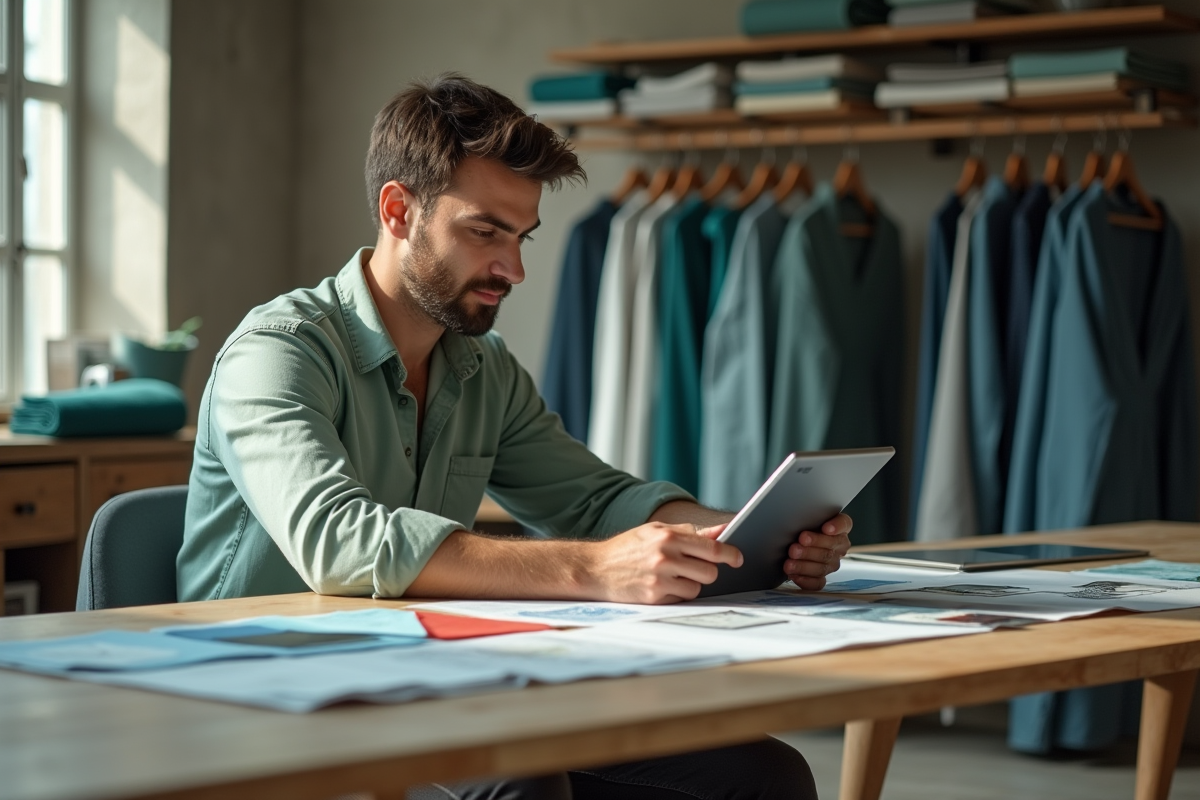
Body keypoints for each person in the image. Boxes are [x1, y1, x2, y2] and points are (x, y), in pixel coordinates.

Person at [178, 73, 851, 800]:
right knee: (520, 785)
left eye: (521, 236)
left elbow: (595, 502)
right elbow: (339, 541)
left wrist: (737, 534)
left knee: (764, 776)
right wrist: (594, 571)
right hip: (258, 686)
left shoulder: (481, 366)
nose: (514, 267)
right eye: (484, 232)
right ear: (399, 210)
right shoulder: (276, 351)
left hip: (425, 672)